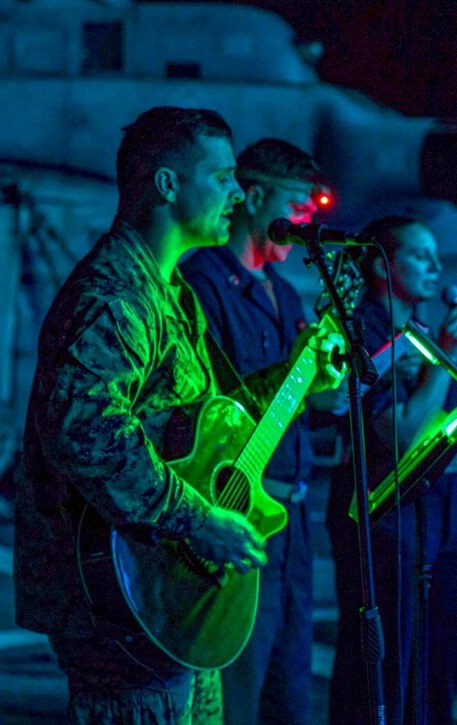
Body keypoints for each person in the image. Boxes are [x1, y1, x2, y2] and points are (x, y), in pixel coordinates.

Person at [13, 107, 343, 723]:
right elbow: (86, 432)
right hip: (124, 603)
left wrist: (296, 380)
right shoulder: (113, 296)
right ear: (167, 185)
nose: (239, 192)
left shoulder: (173, 294)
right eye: (222, 178)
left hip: (174, 600)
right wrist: (198, 521)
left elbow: (209, 425)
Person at [179, 138, 335, 724]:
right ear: (255, 195)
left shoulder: (288, 291)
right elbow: (215, 409)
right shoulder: (204, 283)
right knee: (240, 682)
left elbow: (305, 403)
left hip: (290, 512)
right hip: (236, 505)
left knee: (290, 683)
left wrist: (330, 387)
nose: (306, 220)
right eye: (298, 203)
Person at [326, 215, 457, 725]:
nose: (436, 267)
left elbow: (445, 426)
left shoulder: (417, 332)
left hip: (444, 514)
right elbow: (399, 436)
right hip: (392, 516)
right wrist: (446, 357)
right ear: (379, 263)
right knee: (388, 661)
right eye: (419, 254)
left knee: (436, 664)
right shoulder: (369, 332)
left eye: (436, 255)